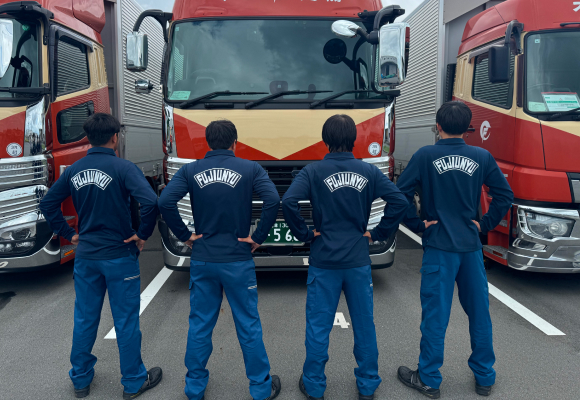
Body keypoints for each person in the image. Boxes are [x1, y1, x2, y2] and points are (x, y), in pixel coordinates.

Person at [282, 114, 410, 400]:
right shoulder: (368, 171)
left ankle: (314, 386)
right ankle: (367, 385)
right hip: (357, 259)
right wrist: (378, 233)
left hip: (324, 259)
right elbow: (399, 201)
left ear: (325, 140)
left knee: (318, 326)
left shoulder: (313, 171)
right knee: (364, 325)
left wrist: (305, 234)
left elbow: (289, 201)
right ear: (354, 139)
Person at [39, 113, 162, 399]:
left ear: (88, 138)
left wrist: (68, 234)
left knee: (85, 318)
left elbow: (48, 203)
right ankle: (133, 381)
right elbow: (150, 202)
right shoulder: (124, 168)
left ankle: (80, 379)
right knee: (126, 321)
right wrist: (142, 234)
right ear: (115, 137)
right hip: (119, 255)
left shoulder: (74, 170)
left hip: (86, 257)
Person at [395, 102, 514, 398]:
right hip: (471, 248)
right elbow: (504, 194)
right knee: (479, 313)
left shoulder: (425, 155)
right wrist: (484, 224)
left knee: (436, 316)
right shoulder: (481, 156)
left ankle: (429, 378)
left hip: (439, 246)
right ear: (467, 128)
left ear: (437, 126)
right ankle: (484, 376)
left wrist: (417, 224)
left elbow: (400, 193)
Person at [158, 120, 282, 400]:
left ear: (208, 142)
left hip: (204, 257)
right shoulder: (251, 168)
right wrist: (258, 237)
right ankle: (261, 388)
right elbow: (273, 199)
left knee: (200, 324)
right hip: (238, 258)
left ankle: (194, 388)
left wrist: (185, 236)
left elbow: (165, 202)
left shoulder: (191, 170)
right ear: (235, 143)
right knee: (248, 324)